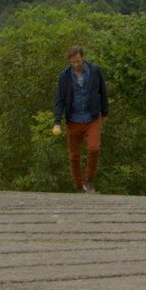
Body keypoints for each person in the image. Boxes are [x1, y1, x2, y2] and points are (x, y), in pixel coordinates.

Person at [51, 45, 109, 193]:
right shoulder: (64, 75)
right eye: (73, 62)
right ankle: (78, 186)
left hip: (92, 117)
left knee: (94, 148)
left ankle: (88, 179)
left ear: (82, 57)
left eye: (77, 61)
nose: (76, 65)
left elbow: (103, 91)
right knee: (74, 156)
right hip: (73, 119)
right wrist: (57, 121)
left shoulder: (95, 71)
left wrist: (105, 113)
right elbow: (60, 99)